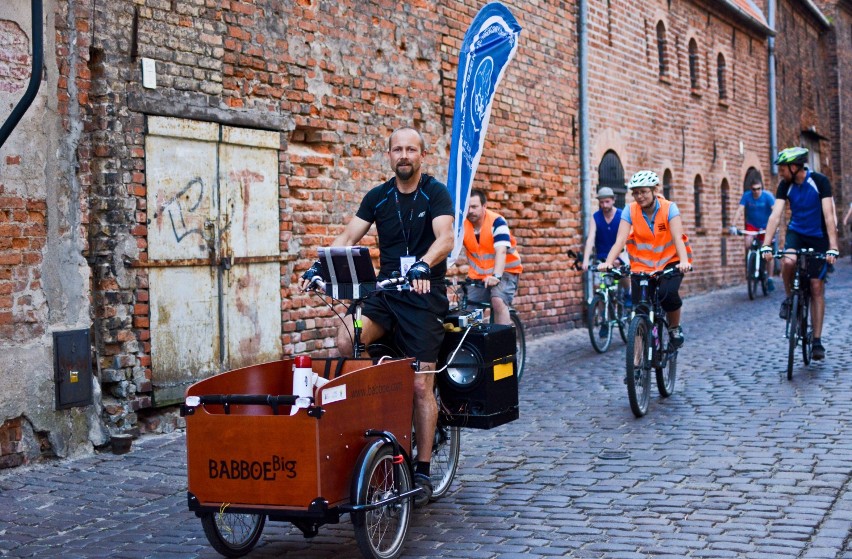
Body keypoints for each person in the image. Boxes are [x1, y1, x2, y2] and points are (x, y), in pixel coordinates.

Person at [300, 127, 454, 505]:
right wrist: (320, 267)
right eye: (397, 149)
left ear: (421, 155)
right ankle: (375, 408)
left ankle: (421, 467)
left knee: (420, 384)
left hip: (422, 295)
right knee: (345, 338)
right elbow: (346, 239)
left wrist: (423, 265)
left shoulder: (435, 193)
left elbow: (446, 238)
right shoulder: (378, 197)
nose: (404, 155)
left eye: (411, 149)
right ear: (388, 155)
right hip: (385, 296)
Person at [598, 170, 692, 347]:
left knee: (667, 294)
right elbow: (620, 240)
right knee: (640, 309)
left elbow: (678, 237)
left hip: (671, 262)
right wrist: (609, 262)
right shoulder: (630, 210)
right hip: (642, 265)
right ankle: (636, 365)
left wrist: (684, 261)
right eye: (635, 192)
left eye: (643, 191)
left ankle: (674, 327)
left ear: (654, 190)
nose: (639, 196)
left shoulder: (669, 208)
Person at [761, 147, 839, 360]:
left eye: (783, 168)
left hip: (818, 236)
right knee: (788, 262)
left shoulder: (820, 181)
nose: (781, 172)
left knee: (816, 286)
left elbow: (829, 215)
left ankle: (816, 340)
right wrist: (766, 245)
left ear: (794, 167)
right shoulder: (785, 185)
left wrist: (832, 246)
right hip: (797, 233)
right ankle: (790, 300)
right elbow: (775, 216)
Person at [462, 188, 522, 325]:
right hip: (478, 275)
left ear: (484, 206)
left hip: (505, 272)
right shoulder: (462, 226)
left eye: (474, 206)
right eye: (468, 207)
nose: (470, 211)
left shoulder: (497, 222)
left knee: (497, 300)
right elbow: (450, 249)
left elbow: (501, 251)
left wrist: (497, 276)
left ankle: (504, 343)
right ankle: (474, 344)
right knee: (468, 308)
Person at [729, 178, 776, 291]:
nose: (756, 191)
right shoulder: (747, 196)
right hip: (752, 225)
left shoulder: (768, 196)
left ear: (761, 188)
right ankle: (752, 262)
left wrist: (775, 225)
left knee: (768, 251)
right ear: (751, 189)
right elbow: (740, 210)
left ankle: (770, 278)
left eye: (758, 189)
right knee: (747, 243)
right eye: (754, 189)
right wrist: (733, 225)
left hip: (766, 226)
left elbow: (775, 211)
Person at [581, 187, 629, 271]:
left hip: (620, 256)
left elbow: (625, 238)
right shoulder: (596, 217)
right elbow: (590, 239)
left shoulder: (622, 215)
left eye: (607, 202)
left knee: (625, 279)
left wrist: (620, 258)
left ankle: (627, 284)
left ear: (613, 200)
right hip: (602, 257)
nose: (604, 205)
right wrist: (585, 260)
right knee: (601, 281)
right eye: (601, 202)